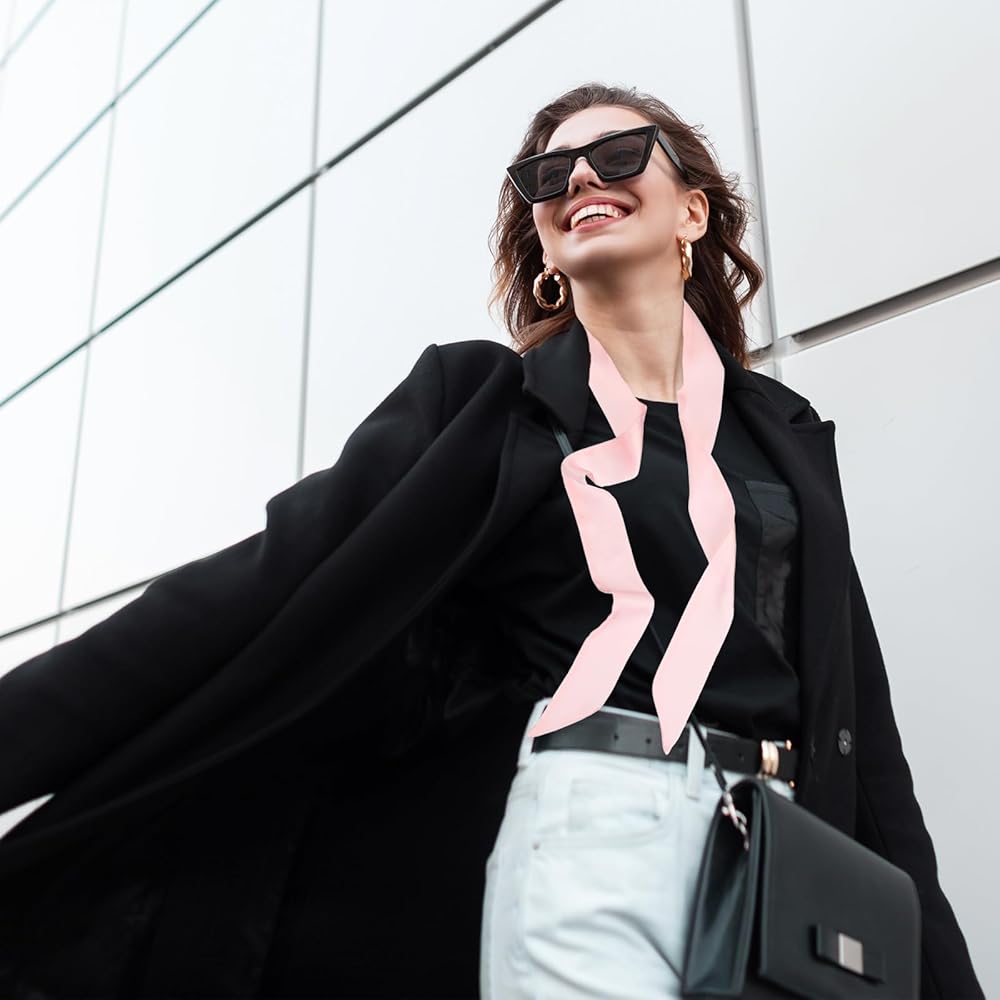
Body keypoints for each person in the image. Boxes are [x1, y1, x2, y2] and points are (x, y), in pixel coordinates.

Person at [0, 83, 983, 999]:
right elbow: (260, 588)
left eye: (618, 153)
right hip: (591, 842)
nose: (580, 177)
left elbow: (871, 752)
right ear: (545, 243)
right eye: (549, 176)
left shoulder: (784, 441)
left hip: (777, 859)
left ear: (693, 212)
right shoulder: (492, 410)